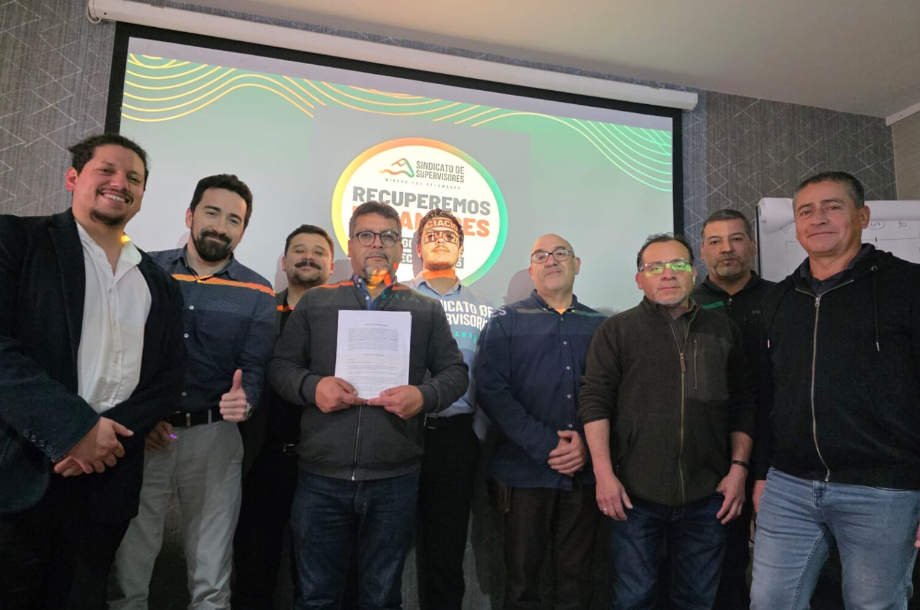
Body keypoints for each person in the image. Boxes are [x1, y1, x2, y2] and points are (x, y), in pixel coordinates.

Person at [0, 133, 186, 609]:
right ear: (73, 178)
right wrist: (74, 430)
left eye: (134, 178)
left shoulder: (160, 283)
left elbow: (167, 378)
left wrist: (105, 438)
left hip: (108, 482)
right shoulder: (17, 240)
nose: (120, 183)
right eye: (106, 170)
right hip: (20, 473)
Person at [268, 201, 468, 610]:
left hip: (394, 478)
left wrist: (423, 396)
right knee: (315, 597)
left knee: (382, 598)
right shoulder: (317, 302)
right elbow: (280, 367)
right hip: (321, 476)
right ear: (351, 246)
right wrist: (313, 387)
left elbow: (455, 373)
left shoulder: (425, 309)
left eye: (388, 236)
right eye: (366, 235)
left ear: (400, 248)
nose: (377, 244)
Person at [750, 171, 920, 610]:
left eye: (832, 207)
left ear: (862, 216)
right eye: (806, 211)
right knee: (769, 602)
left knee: (873, 605)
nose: (818, 218)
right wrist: (762, 473)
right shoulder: (778, 300)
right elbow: (767, 395)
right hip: (789, 486)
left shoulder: (908, 286)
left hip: (882, 489)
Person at [109, 174, 276, 610]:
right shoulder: (144, 269)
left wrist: (246, 399)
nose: (221, 226)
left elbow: (255, 369)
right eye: (212, 213)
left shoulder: (258, 291)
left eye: (234, 220)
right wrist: (140, 416)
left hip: (214, 438)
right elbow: (118, 350)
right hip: (146, 435)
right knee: (129, 568)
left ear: (243, 230)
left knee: (212, 574)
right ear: (190, 215)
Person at [579, 233, 754, 610]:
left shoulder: (723, 329)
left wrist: (739, 470)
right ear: (639, 279)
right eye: (655, 267)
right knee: (634, 598)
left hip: (709, 494)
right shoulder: (616, 331)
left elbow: (743, 405)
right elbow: (595, 403)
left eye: (678, 265)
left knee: (697, 600)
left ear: (693, 272)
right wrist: (604, 475)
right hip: (633, 495)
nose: (668, 274)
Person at [474, 234, 605, 610]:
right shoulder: (506, 321)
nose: (551, 260)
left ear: (576, 264)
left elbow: (613, 393)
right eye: (541, 256)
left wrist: (586, 444)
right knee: (522, 585)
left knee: (578, 583)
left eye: (561, 253)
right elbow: (492, 391)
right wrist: (547, 444)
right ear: (532, 270)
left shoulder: (601, 325)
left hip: (584, 476)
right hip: (523, 475)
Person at [233, 224, 336, 610]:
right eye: (299, 250)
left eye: (318, 252)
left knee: (316, 579)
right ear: (284, 261)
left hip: (322, 465)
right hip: (260, 460)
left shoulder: (346, 321)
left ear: (331, 267)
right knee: (254, 569)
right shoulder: (260, 313)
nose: (308, 256)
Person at [408, 209, 493, 610]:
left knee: (447, 552)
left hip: (458, 439)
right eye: (431, 234)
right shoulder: (396, 297)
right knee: (384, 549)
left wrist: (476, 432)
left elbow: (490, 377)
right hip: (400, 431)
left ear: (461, 248)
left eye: (449, 235)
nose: (440, 239)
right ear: (418, 247)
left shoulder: (486, 309)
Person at [692, 209, 774, 610]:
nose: (727, 249)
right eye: (716, 241)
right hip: (707, 456)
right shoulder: (686, 305)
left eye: (737, 239)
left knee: (776, 571)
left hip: (778, 453)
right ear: (702, 253)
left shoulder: (782, 299)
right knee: (715, 566)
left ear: (753, 246)